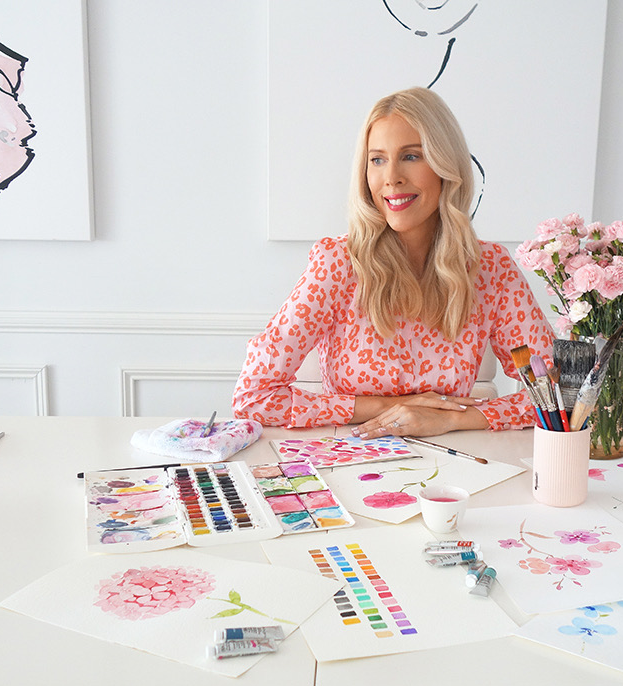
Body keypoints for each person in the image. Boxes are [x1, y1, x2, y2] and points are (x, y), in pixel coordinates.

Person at [232, 87, 554, 439]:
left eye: (411, 156)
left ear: (446, 166)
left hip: (458, 462)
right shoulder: (337, 264)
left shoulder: (490, 268)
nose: (391, 177)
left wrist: (452, 419)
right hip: (351, 457)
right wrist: (390, 408)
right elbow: (254, 396)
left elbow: (556, 394)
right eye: (377, 160)